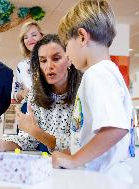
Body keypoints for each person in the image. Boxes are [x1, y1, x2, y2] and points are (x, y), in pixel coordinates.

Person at [52, 0, 134, 183]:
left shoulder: (97, 74)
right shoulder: (109, 72)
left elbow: (115, 128)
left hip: (102, 180)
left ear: (82, 37)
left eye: (66, 45)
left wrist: (74, 160)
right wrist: (72, 152)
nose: (67, 54)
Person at [0, 34, 82, 152]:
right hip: (50, 165)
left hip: (82, 167)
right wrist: (2, 145)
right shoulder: (36, 95)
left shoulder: (83, 92)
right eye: (43, 60)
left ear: (69, 60)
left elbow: (77, 145)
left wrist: (34, 130)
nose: (49, 66)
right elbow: (28, 140)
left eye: (56, 58)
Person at [14, 21, 43, 113]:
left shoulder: (52, 59)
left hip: (52, 113)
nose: (29, 39)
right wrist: (22, 93)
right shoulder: (21, 66)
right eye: (25, 37)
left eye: (34, 35)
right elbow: (15, 94)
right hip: (29, 112)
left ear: (42, 36)